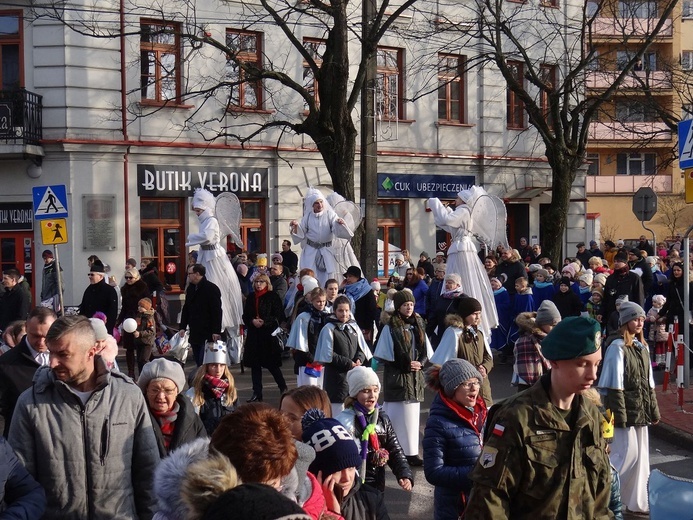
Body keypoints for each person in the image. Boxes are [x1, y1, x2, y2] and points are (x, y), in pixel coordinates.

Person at [8, 315, 160, 519]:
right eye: (51, 353)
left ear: (91, 352)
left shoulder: (128, 396)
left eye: (63, 354)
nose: (52, 363)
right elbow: (20, 484)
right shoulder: (30, 403)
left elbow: (148, 474)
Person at [464, 316, 613, 519]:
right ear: (554, 362)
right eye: (582, 364)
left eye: (597, 364)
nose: (593, 375)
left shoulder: (592, 417)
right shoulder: (516, 417)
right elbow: (489, 501)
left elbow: (600, 499)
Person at [598, 302, 660, 515]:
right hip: (622, 413)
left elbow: (649, 384)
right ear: (625, 322)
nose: (640, 322)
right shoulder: (616, 347)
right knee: (624, 456)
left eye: (642, 319)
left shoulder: (642, 347)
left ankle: (637, 502)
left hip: (639, 412)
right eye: (635, 319)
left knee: (641, 458)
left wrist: (654, 411)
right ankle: (602, 497)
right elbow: (614, 386)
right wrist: (619, 417)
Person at [428, 190, 499, 349]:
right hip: (459, 249)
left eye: (457, 198)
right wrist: (442, 209)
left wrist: (436, 203)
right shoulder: (463, 212)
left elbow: (447, 220)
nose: (455, 200)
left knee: (464, 280)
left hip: (462, 250)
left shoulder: (464, 210)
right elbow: (446, 223)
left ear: (464, 200)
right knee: (460, 280)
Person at [374, 290, 433, 467]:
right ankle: (395, 451)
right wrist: (406, 364)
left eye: (411, 304)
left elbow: (426, 351)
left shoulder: (418, 324)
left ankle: (411, 452)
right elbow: (384, 355)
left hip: (415, 379)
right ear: (399, 307)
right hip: (398, 378)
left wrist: (420, 363)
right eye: (405, 305)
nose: (409, 308)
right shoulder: (391, 326)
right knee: (396, 417)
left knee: (413, 418)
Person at [423, 359, 487, 520]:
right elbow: (434, 472)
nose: (474, 388)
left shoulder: (481, 413)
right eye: (466, 383)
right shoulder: (438, 423)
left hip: (482, 502)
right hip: (456, 508)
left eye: (476, 381)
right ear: (452, 389)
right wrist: (477, 473)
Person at [301, 409, 390, 520]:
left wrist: (334, 514)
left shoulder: (371, 499)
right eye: (337, 470)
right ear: (317, 473)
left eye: (351, 467)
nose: (347, 478)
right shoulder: (302, 506)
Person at [336, 366, 414, 493]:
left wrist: (404, 474)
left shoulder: (382, 418)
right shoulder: (344, 421)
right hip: (353, 485)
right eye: (366, 391)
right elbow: (342, 455)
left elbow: (395, 449)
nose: (372, 395)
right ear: (355, 393)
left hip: (377, 485)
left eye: (376, 390)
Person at [186, 188, 244, 340]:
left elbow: (208, 237)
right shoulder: (205, 221)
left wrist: (191, 237)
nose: (197, 213)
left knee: (216, 286)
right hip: (206, 255)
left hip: (214, 258)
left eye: (199, 210)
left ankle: (220, 323)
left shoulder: (211, 221)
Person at [0, 307, 56, 437]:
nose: (41, 342)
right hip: (21, 438)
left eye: (46, 336)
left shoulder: (66, 357)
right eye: (35, 335)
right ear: (26, 327)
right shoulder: (6, 364)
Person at [314, 295, 372, 417]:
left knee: (352, 412)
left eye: (346, 310)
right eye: (340, 310)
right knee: (338, 412)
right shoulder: (329, 329)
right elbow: (328, 354)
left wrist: (359, 359)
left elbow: (361, 348)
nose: (344, 314)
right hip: (336, 379)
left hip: (352, 377)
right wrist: (348, 363)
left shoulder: (353, 327)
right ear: (334, 311)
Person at [430, 297, 494, 407]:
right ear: (465, 314)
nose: (478, 317)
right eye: (474, 313)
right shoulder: (454, 333)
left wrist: (485, 367)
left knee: (484, 417)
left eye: (479, 313)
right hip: (463, 389)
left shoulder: (479, 332)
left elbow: (488, 356)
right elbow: (445, 363)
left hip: (482, 387)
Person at [139, 357, 207, 457]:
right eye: (155, 390)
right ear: (146, 390)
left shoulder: (191, 418)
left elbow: (205, 454)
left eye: (168, 390)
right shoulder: (136, 418)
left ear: (176, 392)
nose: (161, 396)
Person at [290, 188, 355, 287]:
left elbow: (336, 226)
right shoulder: (307, 217)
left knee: (328, 275)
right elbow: (301, 233)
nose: (320, 205)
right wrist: (295, 227)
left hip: (326, 250)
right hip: (311, 251)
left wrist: (340, 223)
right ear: (312, 205)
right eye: (316, 203)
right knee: (309, 275)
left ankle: (326, 294)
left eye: (321, 202)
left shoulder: (329, 214)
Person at [243, 273, 288, 402]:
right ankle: (257, 392)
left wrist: (265, 321)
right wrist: (252, 321)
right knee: (255, 366)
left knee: (272, 365)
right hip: (254, 335)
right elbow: (245, 315)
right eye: (257, 281)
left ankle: (282, 387)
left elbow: (278, 315)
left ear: (267, 284)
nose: (258, 284)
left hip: (268, 335)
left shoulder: (272, 297)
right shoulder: (251, 297)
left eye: (261, 282)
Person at [186, 342, 238, 435]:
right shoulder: (195, 393)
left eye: (222, 365)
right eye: (214, 365)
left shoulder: (230, 390)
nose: (218, 370)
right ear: (207, 367)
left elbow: (238, 417)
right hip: (204, 443)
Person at [512, 300, 561, 392]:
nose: (555, 328)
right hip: (529, 388)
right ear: (542, 323)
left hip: (546, 386)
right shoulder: (526, 340)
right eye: (552, 325)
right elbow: (529, 374)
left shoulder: (548, 338)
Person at [179, 263, 223, 366]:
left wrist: (216, 331)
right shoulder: (191, 288)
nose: (188, 276)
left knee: (205, 361)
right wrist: (182, 327)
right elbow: (186, 308)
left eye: (189, 273)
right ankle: (201, 380)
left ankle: (205, 380)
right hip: (195, 330)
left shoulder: (211, 289)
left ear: (197, 274)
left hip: (207, 331)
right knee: (198, 361)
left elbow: (217, 311)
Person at [287, 287, 330, 387]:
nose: (321, 304)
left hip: (323, 360)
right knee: (308, 391)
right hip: (307, 361)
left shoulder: (328, 315)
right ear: (312, 300)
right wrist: (312, 359)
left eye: (323, 301)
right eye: (318, 301)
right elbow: (300, 342)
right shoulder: (303, 317)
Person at [116, 267, 150, 377]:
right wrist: (118, 322)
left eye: (131, 277)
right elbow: (124, 307)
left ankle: (145, 372)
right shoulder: (124, 289)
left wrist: (145, 316)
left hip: (141, 319)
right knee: (129, 348)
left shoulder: (143, 287)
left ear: (137, 277)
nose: (128, 280)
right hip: (129, 320)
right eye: (126, 278)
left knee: (142, 347)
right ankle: (131, 373)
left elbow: (148, 304)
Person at [603, 251, 645, 327]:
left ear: (625, 263)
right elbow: (606, 298)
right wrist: (601, 312)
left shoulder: (634, 278)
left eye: (619, 261)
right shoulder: (610, 278)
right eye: (615, 261)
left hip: (630, 315)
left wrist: (639, 314)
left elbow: (639, 297)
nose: (616, 263)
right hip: (613, 314)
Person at [426, 273, 467, 348]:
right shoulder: (442, 297)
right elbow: (435, 317)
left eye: (450, 282)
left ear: (457, 285)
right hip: (441, 333)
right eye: (446, 282)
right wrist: (426, 333)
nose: (447, 284)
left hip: (455, 334)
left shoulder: (462, 299)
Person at [342, 265, 379, 344]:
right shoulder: (347, 290)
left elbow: (372, 310)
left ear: (357, 277)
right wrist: (340, 288)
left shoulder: (367, 290)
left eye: (350, 276)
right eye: (347, 277)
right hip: (350, 325)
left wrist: (367, 327)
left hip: (364, 327)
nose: (347, 279)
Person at [78, 261, 118, 333]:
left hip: (103, 328)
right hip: (89, 328)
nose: (90, 277)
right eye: (89, 274)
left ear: (101, 276)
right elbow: (83, 308)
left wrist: (108, 329)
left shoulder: (110, 291)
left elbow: (112, 313)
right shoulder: (88, 289)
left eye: (92, 275)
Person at [132, 297, 156, 374]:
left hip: (147, 342)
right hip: (139, 341)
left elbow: (151, 331)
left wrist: (140, 333)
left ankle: (146, 375)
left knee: (144, 360)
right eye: (139, 306)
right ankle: (141, 375)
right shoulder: (138, 316)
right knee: (139, 360)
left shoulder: (149, 318)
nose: (139, 308)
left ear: (146, 308)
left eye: (141, 306)